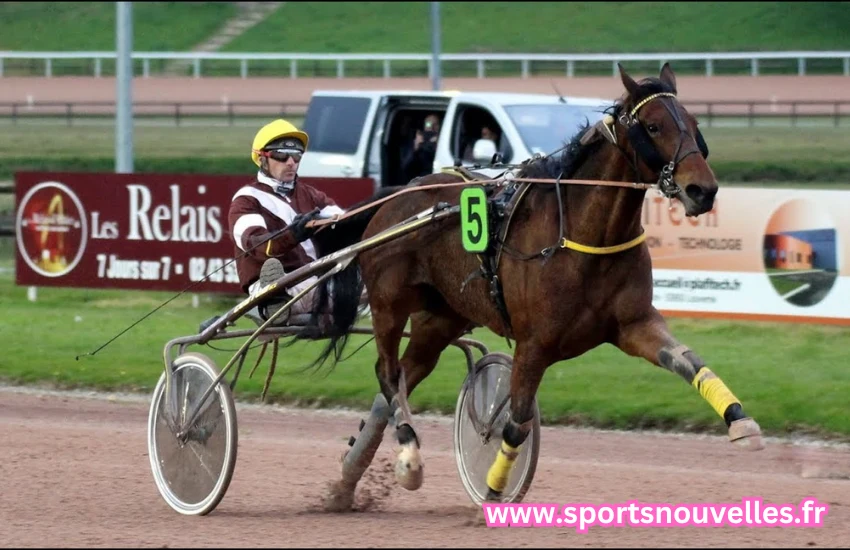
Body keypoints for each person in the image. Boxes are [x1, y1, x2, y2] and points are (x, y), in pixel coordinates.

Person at [228, 118, 345, 325]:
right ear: (262, 159)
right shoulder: (246, 200)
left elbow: (345, 222)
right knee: (346, 292)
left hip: (311, 281)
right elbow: (255, 245)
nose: (291, 162)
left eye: (296, 156)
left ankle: (284, 304)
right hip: (272, 285)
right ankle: (273, 299)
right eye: (281, 155)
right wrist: (293, 235)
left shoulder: (311, 195)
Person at [400, 113, 441, 183]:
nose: (431, 127)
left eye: (435, 124)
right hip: (419, 179)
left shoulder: (444, 140)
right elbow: (405, 166)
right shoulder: (416, 142)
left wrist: (439, 144)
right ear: (424, 126)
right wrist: (415, 148)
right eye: (428, 124)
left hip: (436, 178)